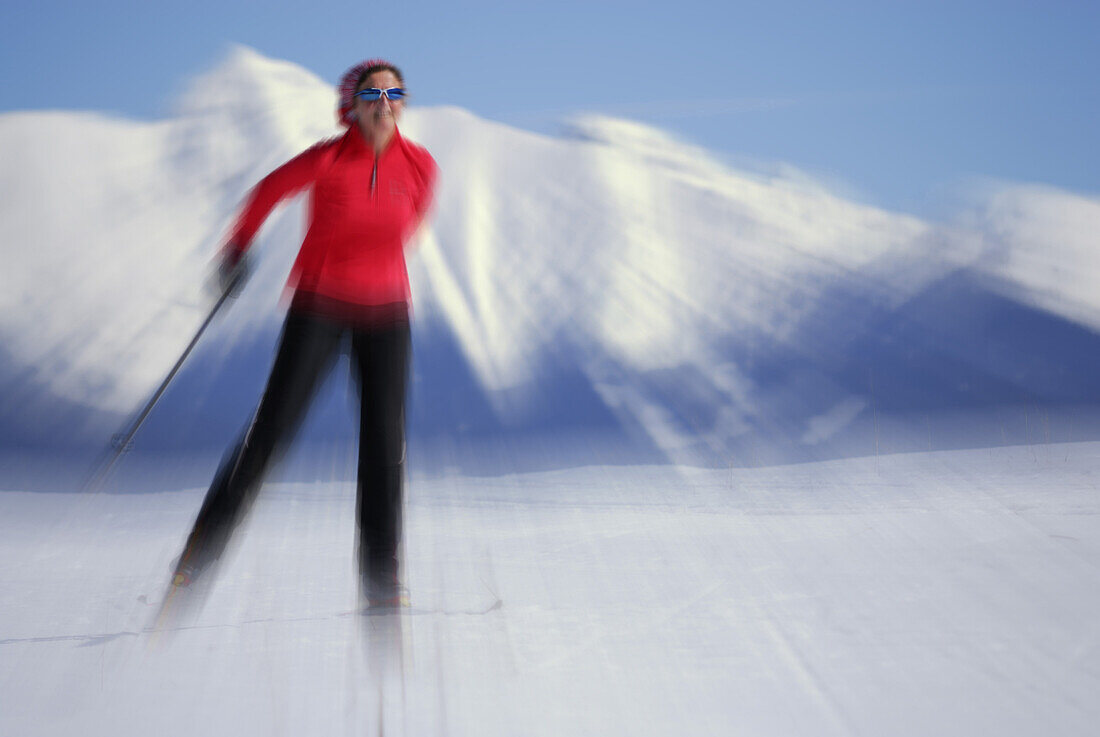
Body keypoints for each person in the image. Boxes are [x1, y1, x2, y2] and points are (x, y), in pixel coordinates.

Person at [169, 59, 437, 608]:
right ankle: (196, 559)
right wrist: (237, 250)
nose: (383, 104)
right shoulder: (327, 159)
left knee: (385, 447)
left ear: (404, 103)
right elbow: (265, 193)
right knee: (269, 437)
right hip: (319, 307)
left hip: (387, 315)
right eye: (371, 94)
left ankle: (381, 582)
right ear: (351, 105)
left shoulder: (421, 167)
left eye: (393, 94)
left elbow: (410, 225)